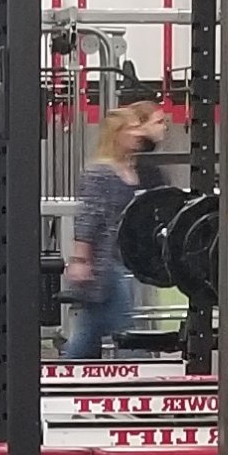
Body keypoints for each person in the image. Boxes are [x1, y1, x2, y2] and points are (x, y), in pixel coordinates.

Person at [57, 99, 169, 360]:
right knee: (123, 328)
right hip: (106, 263)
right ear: (116, 135)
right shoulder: (100, 172)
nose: (137, 134)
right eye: (131, 128)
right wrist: (81, 259)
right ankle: (138, 370)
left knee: (90, 330)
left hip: (122, 262)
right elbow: (88, 218)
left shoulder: (131, 169)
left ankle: (66, 371)